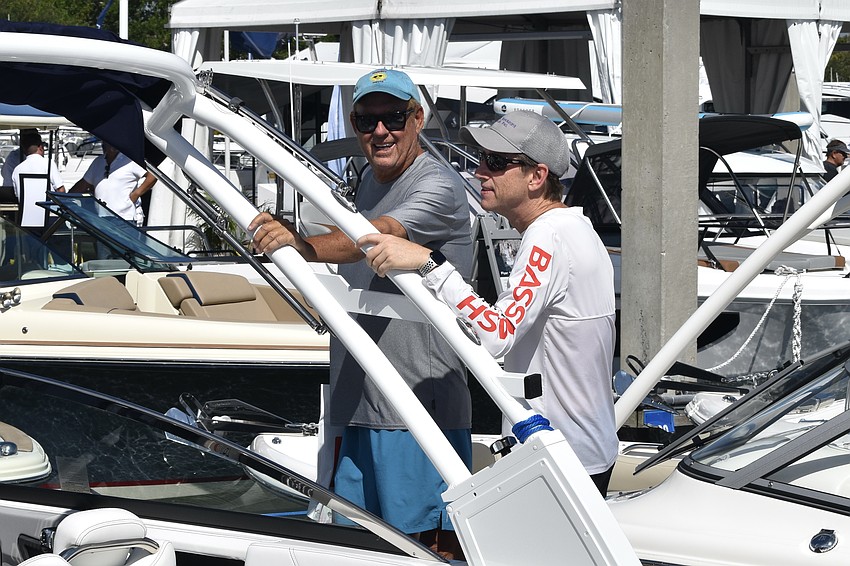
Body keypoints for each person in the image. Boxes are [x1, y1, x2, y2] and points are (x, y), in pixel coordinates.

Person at [248, 68, 473, 558]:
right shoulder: (368, 178)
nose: (379, 131)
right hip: (358, 401)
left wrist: (302, 245)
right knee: (360, 547)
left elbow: (374, 236)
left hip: (413, 407)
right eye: (366, 120)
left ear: (417, 119)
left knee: (422, 548)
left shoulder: (437, 185)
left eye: (392, 117)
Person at [357, 110, 619, 495]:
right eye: (481, 159)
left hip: (560, 458)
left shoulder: (548, 236)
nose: (480, 172)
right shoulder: (576, 227)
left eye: (496, 162)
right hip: (581, 452)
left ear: (537, 177)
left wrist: (430, 263)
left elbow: (499, 334)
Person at [70, 142, 156, 226]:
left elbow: (152, 176)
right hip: (101, 219)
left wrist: (136, 194)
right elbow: (83, 185)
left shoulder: (130, 161)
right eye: (104, 143)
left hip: (124, 220)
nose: (104, 145)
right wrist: (65, 197)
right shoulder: (98, 162)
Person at [11, 131, 66, 200]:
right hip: (47, 209)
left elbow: (17, 195)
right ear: (41, 147)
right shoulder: (48, 164)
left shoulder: (17, 170)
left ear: (24, 151)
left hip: (26, 210)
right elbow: (60, 190)